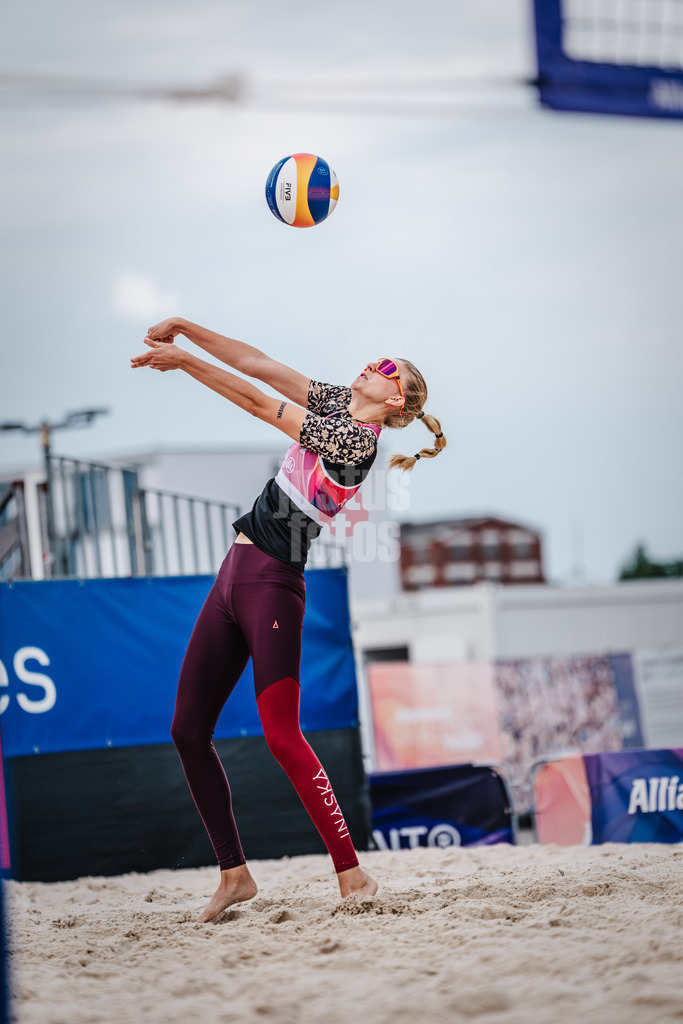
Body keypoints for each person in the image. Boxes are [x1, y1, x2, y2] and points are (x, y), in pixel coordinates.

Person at [131, 318, 446, 921]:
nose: (373, 365)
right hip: (233, 573)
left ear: (395, 398)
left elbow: (255, 402)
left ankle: (352, 874)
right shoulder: (337, 406)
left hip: (273, 584)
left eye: (387, 370)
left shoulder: (358, 443)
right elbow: (257, 365)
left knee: (281, 735)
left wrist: (185, 364)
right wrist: (188, 332)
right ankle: (234, 875)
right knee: (187, 730)